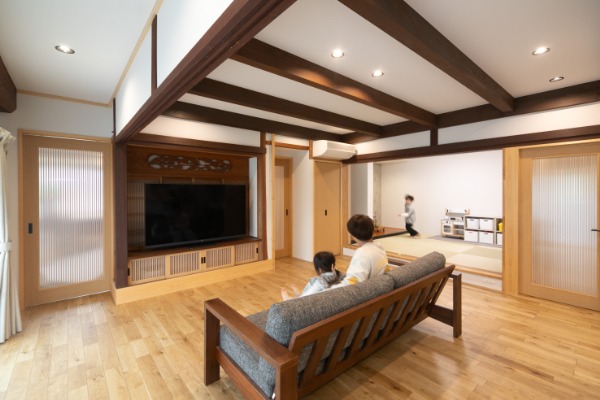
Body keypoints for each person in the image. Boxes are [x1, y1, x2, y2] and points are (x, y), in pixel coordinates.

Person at [332, 214, 390, 287]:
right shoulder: (379, 247)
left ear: (352, 235)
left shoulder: (362, 254)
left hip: (368, 290)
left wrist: (328, 290)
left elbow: (351, 285)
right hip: (379, 286)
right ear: (372, 231)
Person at [281, 251, 345, 300]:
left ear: (319, 269)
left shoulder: (320, 283)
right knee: (314, 279)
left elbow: (303, 300)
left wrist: (289, 299)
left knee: (313, 281)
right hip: (330, 296)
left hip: (317, 300)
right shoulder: (340, 275)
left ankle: (296, 297)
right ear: (332, 266)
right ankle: (300, 294)